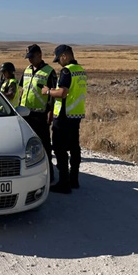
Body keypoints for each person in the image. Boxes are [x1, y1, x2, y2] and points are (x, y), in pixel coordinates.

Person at [42, 44, 87, 193]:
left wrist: (48, 91)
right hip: (76, 114)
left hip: (64, 115)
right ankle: (74, 179)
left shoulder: (67, 71)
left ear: (64, 56)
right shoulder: (80, 70)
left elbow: (62, 92)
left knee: (60, 149)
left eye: (59, 59)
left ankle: (63, 183)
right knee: (74, 148)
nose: (59, 63)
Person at [18, 44, 57, 181]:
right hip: (25, 113)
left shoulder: (49, 71)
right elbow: (22, 90)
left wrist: (50, 112)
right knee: (24, 145)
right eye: (28, 57)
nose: (29, 60)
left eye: (32, 57)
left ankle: (49, 175)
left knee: (45, 145)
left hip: (40, 114)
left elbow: (53, 95)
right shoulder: (27, 70)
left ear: (40, 55)